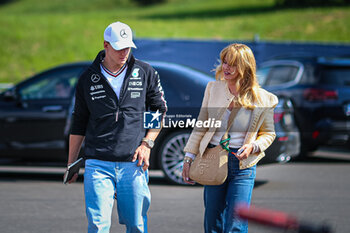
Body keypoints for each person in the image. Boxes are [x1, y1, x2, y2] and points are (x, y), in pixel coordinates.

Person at [66, 21, 167, 233]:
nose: (124, 52)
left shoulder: (146, 72)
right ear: (106, 45)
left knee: (136, 225)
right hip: (97, 163)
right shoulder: (87, 78)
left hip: (134, 162)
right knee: (98, 225)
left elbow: (158, 111)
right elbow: (79, 122)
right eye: (119, 47)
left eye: (128, 47)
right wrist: (72, 163)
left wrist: (147, 144)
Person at [182, 43, 278, 233]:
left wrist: (254, 147)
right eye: (225, 62)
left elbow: (269, 133)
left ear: (245, 66)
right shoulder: (213, 88)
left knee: (236, 223)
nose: (226, 67)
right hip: (213, 159)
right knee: (212, 221)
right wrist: (188, 158)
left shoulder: (264, 99)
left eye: (232, 64)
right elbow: (201, 125)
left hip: (243, 166)